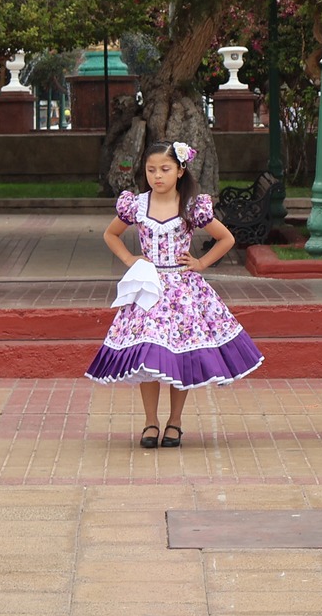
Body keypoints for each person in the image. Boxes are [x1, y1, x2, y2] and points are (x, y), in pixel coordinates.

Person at [87, 141, 263, 447]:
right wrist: (130, 259)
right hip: (148, 291)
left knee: (178, 356)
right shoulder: (137, 205)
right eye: (151, 169)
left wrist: (200, 263)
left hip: (182, 293)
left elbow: (226, 238)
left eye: (165, 169)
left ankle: (175, 421)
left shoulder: (191, 206)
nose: (158, 176)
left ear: (180, 171)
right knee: (147, 356)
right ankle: (150, 421)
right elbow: (110, 234)